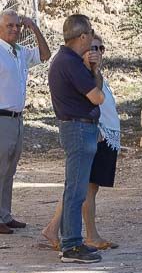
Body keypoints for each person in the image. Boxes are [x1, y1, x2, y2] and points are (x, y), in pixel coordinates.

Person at [40, 33, 119, 252]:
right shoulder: (79, 71)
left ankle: (54, 228)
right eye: (93, 48)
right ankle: (88, 236)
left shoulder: (92, 72)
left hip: (103, 132)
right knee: (84, 187)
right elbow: (95, 100)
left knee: (82, 185)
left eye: (101, 48)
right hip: (95, 132)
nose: (97, 53)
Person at [46, 14, 105, 264]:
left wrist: (91, 68)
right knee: (76, 190)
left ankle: (71, 241)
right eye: (90, 32)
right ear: (82, 36)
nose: (92, 36)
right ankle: (71, 245)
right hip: (78, 129)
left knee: (75, 188)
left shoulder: (67, 59)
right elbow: (97, 97)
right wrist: (94, 71)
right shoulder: (70, 62)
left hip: (77, 128)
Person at [0, 10, 49, 236]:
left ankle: (5, 215)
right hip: (1, 118)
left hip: (18, 119)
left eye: (17, 25)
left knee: (9, 170)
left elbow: (45, 55)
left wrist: (34, 28)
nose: (14, 29)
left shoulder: (19, 51)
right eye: (9, 25)